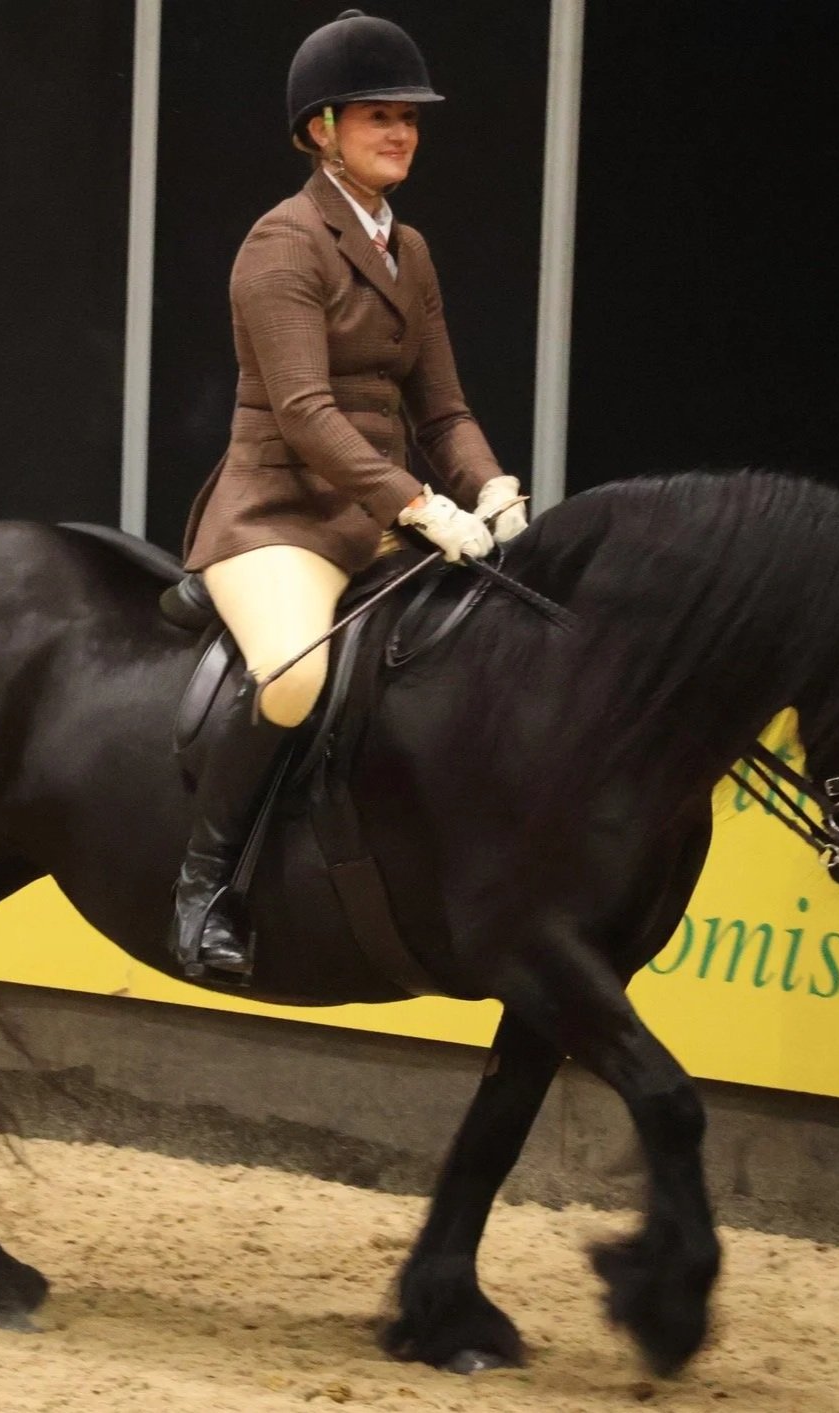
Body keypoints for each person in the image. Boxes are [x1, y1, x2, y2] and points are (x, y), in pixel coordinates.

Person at [170, 10, 527, 980]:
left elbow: (442, 406)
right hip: (280, 512)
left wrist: (492, 488)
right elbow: (305, 415)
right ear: (321, 128)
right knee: (293, 676)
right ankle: (204, 890)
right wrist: (421, 508)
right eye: (379, 116)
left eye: (410, 118)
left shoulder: (410, 252)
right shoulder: (282, 244)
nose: (402, 134)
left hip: (379, 513)